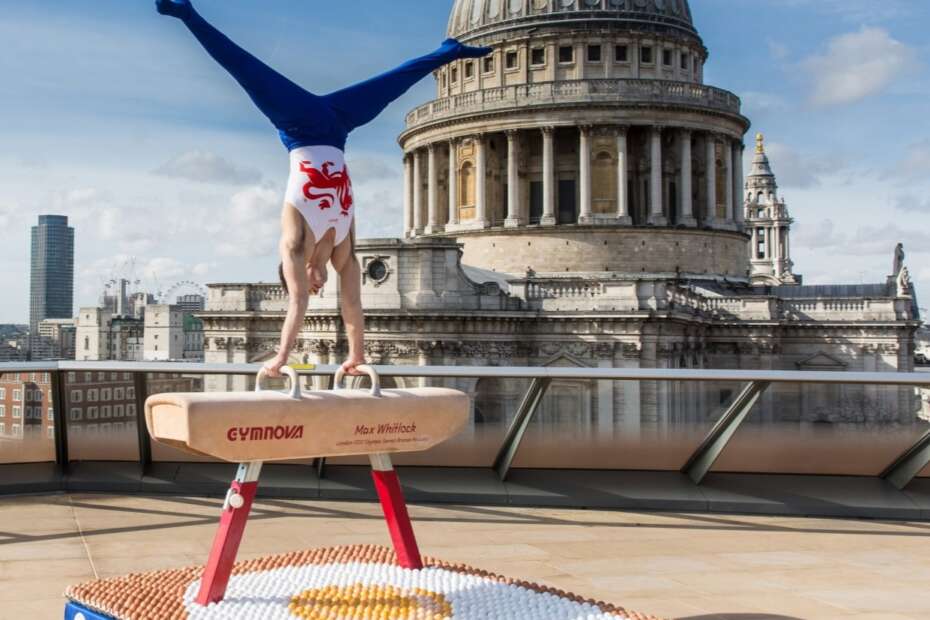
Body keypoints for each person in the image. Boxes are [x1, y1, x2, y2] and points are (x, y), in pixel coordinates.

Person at [156, 0, 490, 377]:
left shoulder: (294, 245)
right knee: (392, 84)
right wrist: (357, 355)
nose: (317, 290)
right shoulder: (343, 249)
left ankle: (185, 12)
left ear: (294, 271)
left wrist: (281, 358)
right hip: (336, 130)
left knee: (242, 66)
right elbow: (353, 305)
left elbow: (296, 305)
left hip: (298, 126)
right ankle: (447, 52)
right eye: (316, 289)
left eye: (311, 287)